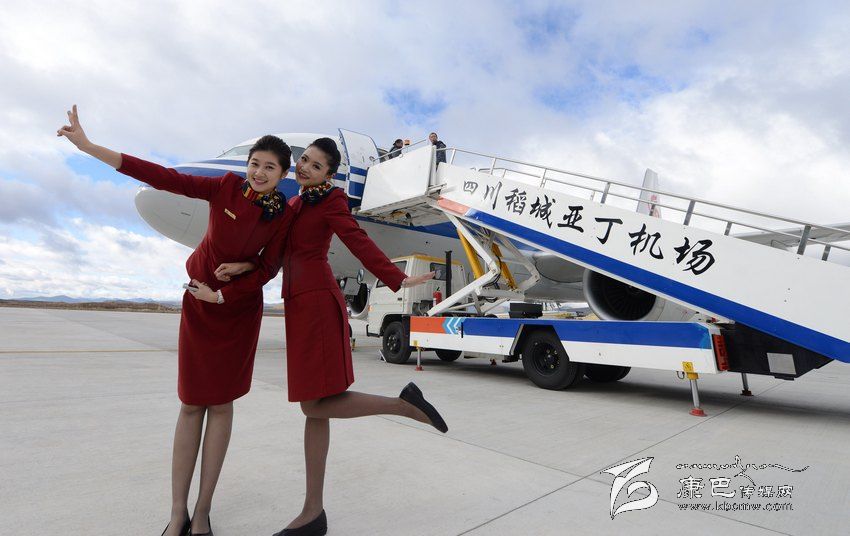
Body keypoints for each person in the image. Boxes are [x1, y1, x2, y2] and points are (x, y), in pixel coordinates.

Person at [57, 105, 293, 536]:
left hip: (237, 310)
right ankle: (178, 512)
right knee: (190, 404)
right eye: (255, 163)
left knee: (221, 405)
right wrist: (89, 147)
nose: (259, 172)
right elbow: (162, 176)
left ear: (282, 174)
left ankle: (202, 513)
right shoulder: (224, 188)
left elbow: (269, 268)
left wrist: (233, 280)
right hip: (200, 306)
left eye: (269, 167)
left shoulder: (281, 213)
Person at [218, 138, 446, 536]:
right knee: (316, 408)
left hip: (319, 305)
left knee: (313, 405)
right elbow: (274, 256)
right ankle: (313, 512)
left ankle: (403, 406)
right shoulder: (293, 204)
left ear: (329, 174)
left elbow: (357, 240)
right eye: (304, 160)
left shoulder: (331, 201)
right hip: (298, 306)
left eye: (316, 165)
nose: (305, 167)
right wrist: (242, 267)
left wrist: (397, 277)